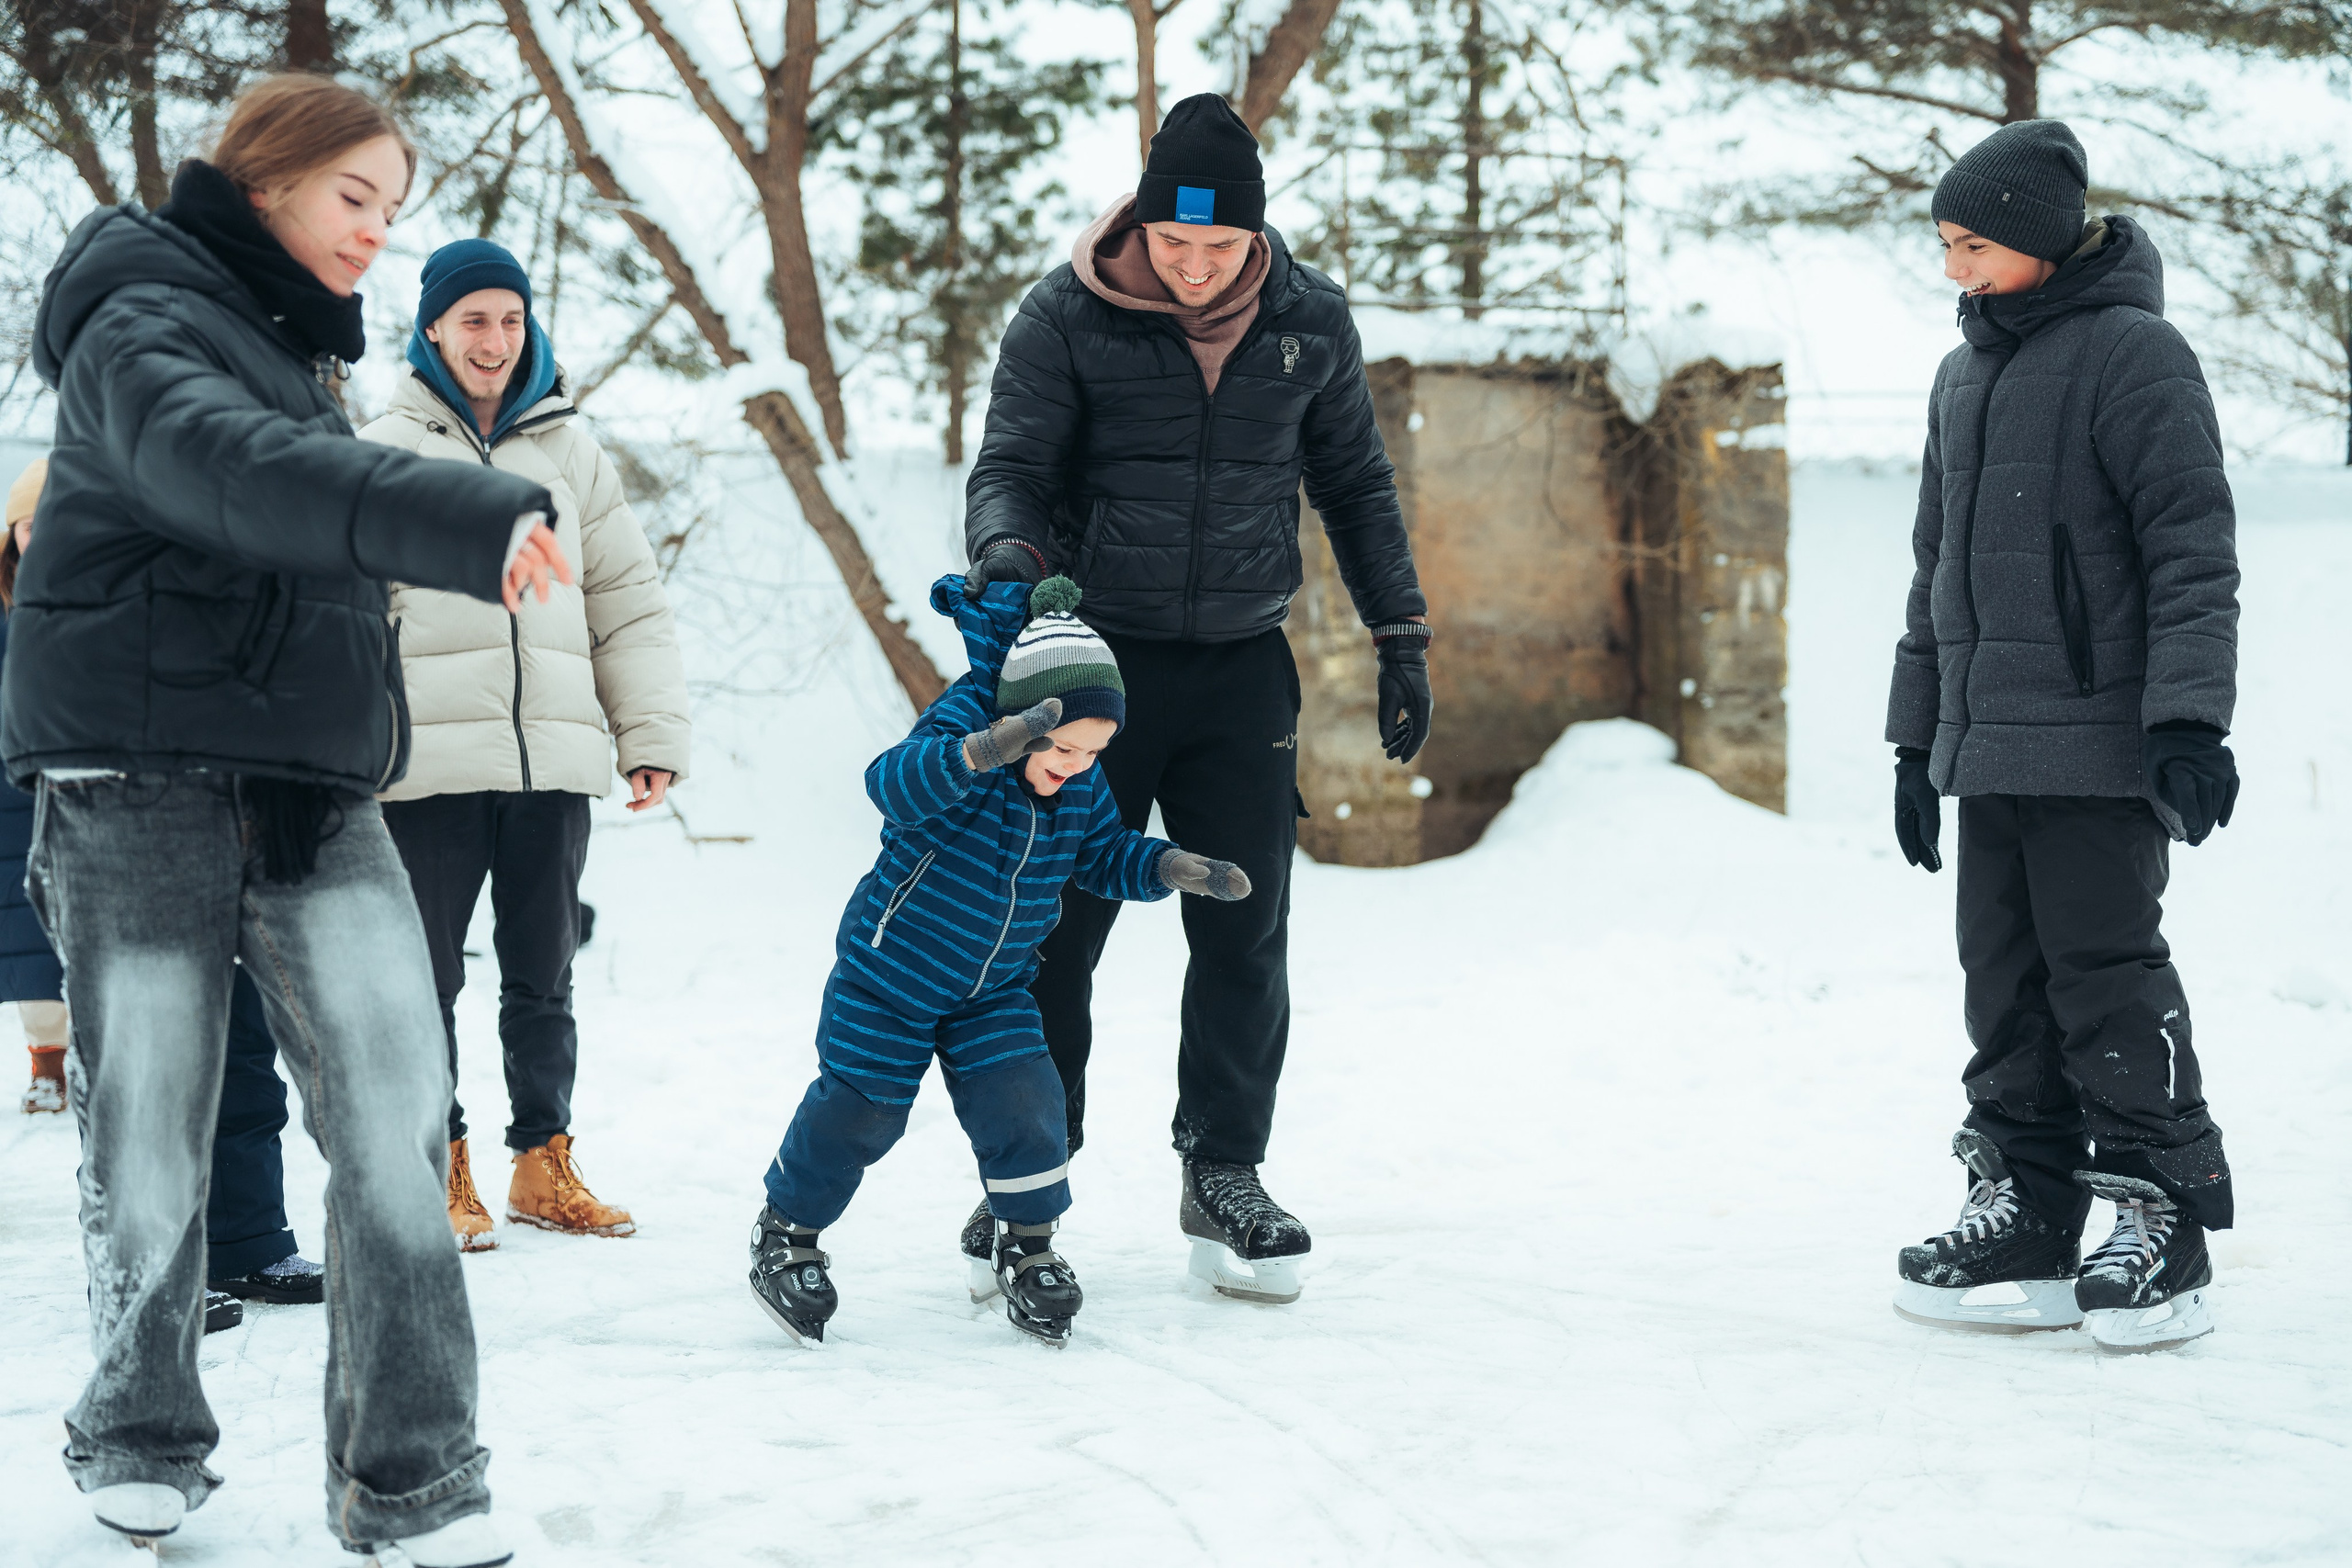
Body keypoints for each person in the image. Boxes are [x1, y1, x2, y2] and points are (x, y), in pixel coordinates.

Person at [6, 74, 571, 1562]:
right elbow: (230, 474)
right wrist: (463, 513)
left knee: (396, 1114)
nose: (377, 235)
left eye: (394, 209)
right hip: (136, 779)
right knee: (151, 1136)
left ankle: (417, 1477)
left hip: (314, 794)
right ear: (266, 184)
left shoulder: (293, 351)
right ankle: (137, 1436)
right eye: (355, 199)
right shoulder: (141, 320)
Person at [961, 93, 1430, 1304]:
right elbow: (1010, 465)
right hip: (1095, 665)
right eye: (1175, 241)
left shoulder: (1308, 320)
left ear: (1256, 240)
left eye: (1218, 249)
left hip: (1239, 664)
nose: (1192, 264)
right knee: (1059, 927)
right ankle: (1028, 1168)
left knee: (1244, 920)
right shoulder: (1067, 313)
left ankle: (1223, 1167)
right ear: (1145, 217)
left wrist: (1403, 635)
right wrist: (1007, 561)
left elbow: (1357, 485)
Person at [1883, 119, 2240, 1356]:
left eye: (1972, 245)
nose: (1954, 270)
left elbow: (2192, 551)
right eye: (1944, 245)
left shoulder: (2137, 357)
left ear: (2036, 236)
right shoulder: (1963, 373)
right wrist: (1912, 743)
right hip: (1988, 747)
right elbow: (1938, 574)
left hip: (2099, 741)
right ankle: (2029, 1206)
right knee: (2006, 983)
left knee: (2105, 974)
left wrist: (2189, 720)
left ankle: (2159, 1216)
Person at [749, 576, 1251, 1346]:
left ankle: (1027, 1245)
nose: (1079, 763)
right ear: (1024, 725)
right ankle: (787, 1231)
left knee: (1029, 1105)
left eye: (1096, 750)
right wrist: (980, 754)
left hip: (994, 988)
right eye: (1065, 746)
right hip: (891, 974)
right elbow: (891, 782)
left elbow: (1104, 853)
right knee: (863, 1108)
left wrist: (1168, 867)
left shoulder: (1078, 785)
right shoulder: (968, 731)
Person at [360, 240, 690, 1250]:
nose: (494, 340)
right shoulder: (383, 446)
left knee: (543, 969)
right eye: (472, 321)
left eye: (508, 319)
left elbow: (626, 603)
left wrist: (647, 732)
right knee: (425, 976)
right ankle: (439, 1161)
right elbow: (352, 610)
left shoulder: (570, 452)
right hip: (428, 767)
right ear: (431, 330)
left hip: (551, 762)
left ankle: (542, 1163)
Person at [6, 459, 322, 1328]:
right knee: (139, 1082)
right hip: (97, 875)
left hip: (212, 863)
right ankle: (142, 1270)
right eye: (40, 525)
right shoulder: (22, 632)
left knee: (245, 1061)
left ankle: (252, 1242)